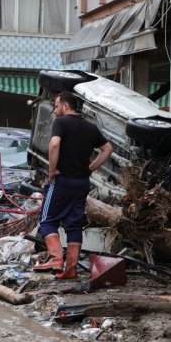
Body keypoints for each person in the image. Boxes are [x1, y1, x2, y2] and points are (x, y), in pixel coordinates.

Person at [34, 91, 113, 279]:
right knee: (73, 224)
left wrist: (52, 171)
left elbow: (54, 145)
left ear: (66, 106)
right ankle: (71, 269)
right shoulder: (91, 127)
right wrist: (90, 169)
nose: (54, 110)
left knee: (47, 221)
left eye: (56, 105)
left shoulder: (61, 123)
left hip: (62, 181)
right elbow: (107, 149)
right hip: (81, 183)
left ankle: (55, 258)